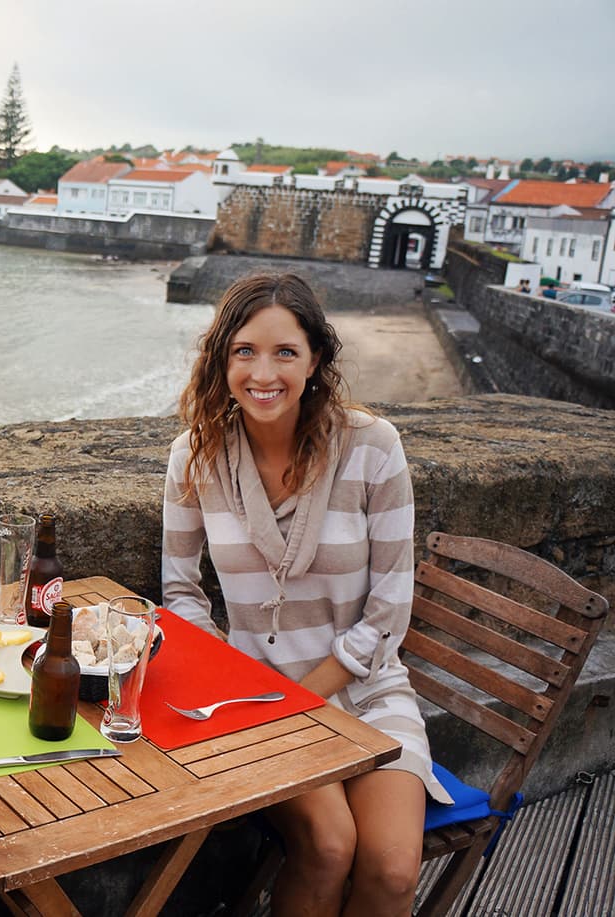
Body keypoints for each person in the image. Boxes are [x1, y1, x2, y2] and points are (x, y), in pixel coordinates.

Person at [161, 273, 452, 917]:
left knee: (393, 869)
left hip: (367, 689)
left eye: (285, 352)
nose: (263, 373)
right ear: (221, 360)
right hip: (253, 696)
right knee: (327, 847)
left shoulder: (373, 448)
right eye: (244, 351)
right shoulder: (195, 456)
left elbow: (389, 609)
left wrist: (307, 697)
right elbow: (180, 593)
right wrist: (231, 680)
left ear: (315, 359)